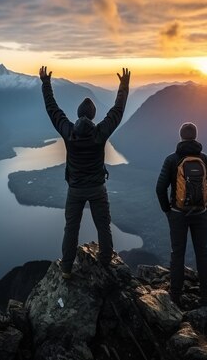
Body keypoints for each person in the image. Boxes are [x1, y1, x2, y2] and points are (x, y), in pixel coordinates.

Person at [39, 66, 130, 279]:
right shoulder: (100, 133)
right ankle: (105, 262)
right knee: (103, 226)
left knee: (71, 228)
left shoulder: (68, 131)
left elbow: (52, 109)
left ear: (79, 115)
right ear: (93, 116)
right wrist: (123, 86)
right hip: (97, 188)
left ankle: (67, 268)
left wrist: (45, 83)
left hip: (75, 189)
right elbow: (117, 111)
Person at [156, 122, 207, 305]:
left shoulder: (172, 159)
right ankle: (206, 297)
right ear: (196, 136)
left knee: (178, 254)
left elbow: (160, 188)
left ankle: (175, 297)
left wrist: (168, 211)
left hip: (178, 213)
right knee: (202, 254)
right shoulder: (205, 159)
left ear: (181, 136)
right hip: (201, 214)